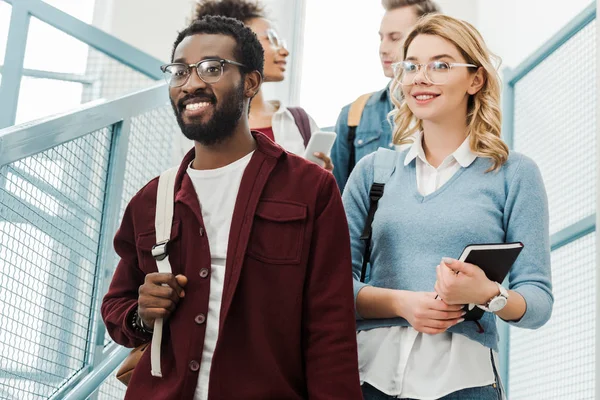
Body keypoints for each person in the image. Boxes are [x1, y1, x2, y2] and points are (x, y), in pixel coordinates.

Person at [102, 16, 361, 400]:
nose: (191, 83)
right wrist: (143, 312)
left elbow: (331, 330)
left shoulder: (311, 190)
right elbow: (118, 308)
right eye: (179, 71)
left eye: (211, 68)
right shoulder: (151, 200)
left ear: (251, 83)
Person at [343, 14, 553, 399]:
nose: (420, 77)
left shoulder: (514, 174)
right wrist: (401, 303)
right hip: (367, 380)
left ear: (476, 79)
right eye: (412, 66)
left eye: (440, 65)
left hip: (465, 385)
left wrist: (488, 294)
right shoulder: (372, 172)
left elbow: (538, 302)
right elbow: (330, 287)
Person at [173, 0, 333, 171]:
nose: (284, 51)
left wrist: (324, 179)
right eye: (271, 39)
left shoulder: (300, 122)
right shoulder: (197, 124)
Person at [331, 0, 439, 192]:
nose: (382, 48)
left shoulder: (454, 110)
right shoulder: (354, 115)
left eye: (395, 38)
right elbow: (339, 202)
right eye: (381, 38)